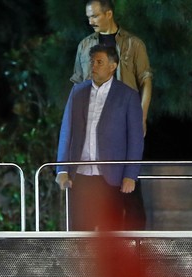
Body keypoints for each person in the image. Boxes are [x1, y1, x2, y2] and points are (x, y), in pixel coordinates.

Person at [71, 0, 152, 230]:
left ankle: (135, 248)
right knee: (91, 193)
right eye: (88, 17)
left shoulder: (133, 43)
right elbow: (77, 84)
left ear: (109, 13)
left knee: (130, 189)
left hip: (125, 121)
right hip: (93, 125)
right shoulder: (85, 45)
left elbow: (145, 79)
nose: (90, 21)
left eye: (95, 16)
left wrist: (142, 116)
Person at [56, 45, 144, 231]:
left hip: (111, 177)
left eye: (99, 62)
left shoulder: (128, 95)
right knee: (79, 232)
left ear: (113, 66)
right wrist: (62, 169)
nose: (93, 66)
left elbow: (136, 139)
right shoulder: (78, 92)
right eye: (92, 62)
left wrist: (130, 175)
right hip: (80, 175)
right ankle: (80, 261)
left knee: (110, 234)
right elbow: (66, 131)